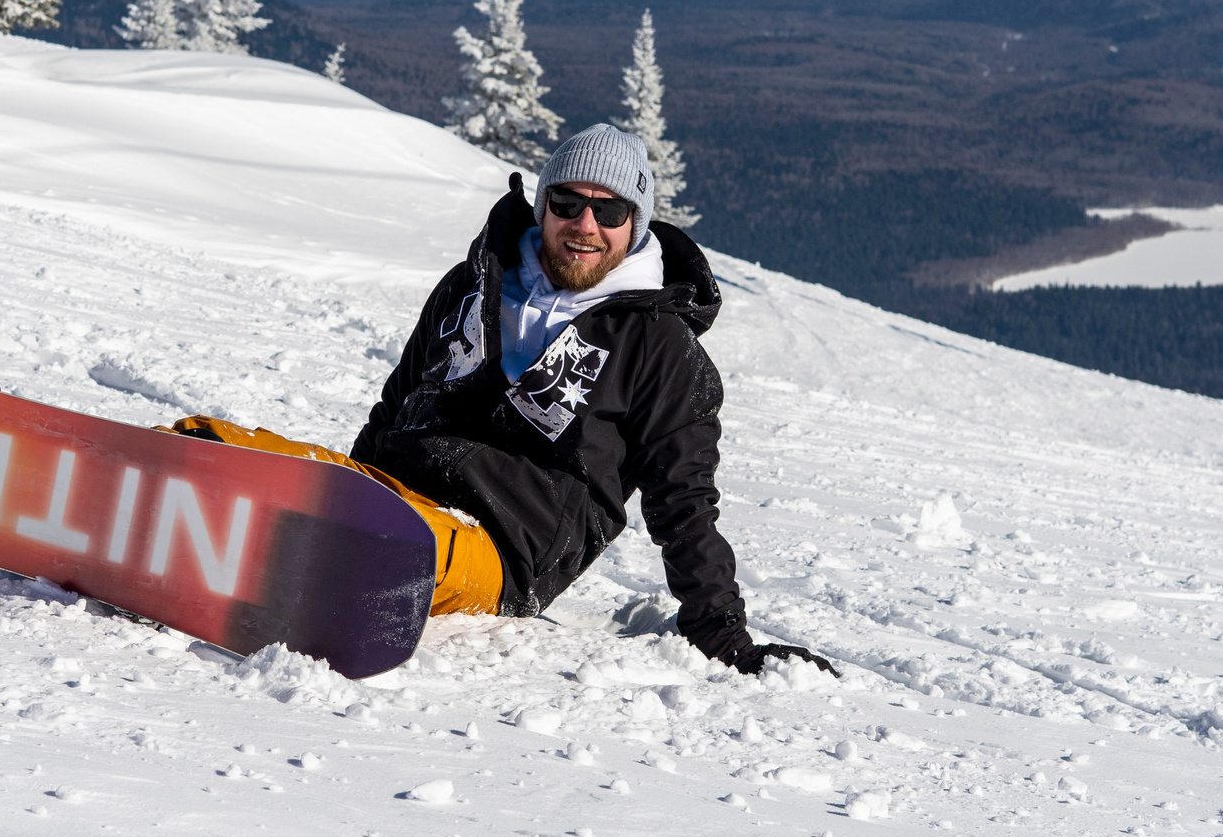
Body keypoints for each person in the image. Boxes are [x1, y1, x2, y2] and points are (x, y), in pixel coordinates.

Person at [170, 124, 831, 677]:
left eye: (609, 211)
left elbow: (685, 504)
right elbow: (397, 402)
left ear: (638, 222)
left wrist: (725, 638)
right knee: (211, 438)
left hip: (502, 546)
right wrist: (340, 483)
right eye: (568, 203)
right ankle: (175, 476)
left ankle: (297, 540)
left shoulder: (660, 348)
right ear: (543, 204)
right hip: (394, 493)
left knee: (391, 540)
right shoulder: (474, 285)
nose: (585, 225)